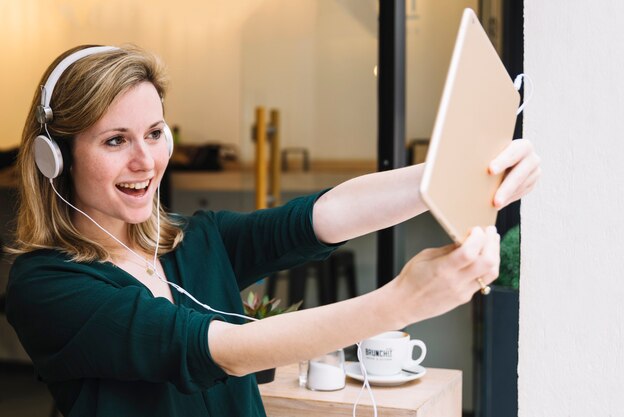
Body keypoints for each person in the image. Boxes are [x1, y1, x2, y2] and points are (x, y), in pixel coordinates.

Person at [5, 45, 540, 417]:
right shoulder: (46, 285)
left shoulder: (194, 238)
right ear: (55, 159)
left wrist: (457, 171)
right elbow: (222, 351)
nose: (147, 160)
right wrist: (401, 302)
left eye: (155, 132)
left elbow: (318, 217)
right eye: (115, 141)